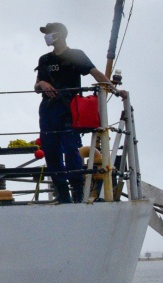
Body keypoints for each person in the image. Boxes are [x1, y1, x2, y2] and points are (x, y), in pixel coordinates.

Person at [34, 22, 115, 204]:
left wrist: (115, 89)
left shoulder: (75, 55)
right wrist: (42, 84)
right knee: (51, 152)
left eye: (50, 33)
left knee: (71, 151)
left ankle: (77, 191)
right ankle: (63, 194)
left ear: (60, 35)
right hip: (48, 111)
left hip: (69, 109)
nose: (46, 37)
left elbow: (95, 73)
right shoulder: (44, 60)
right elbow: (36, 86)